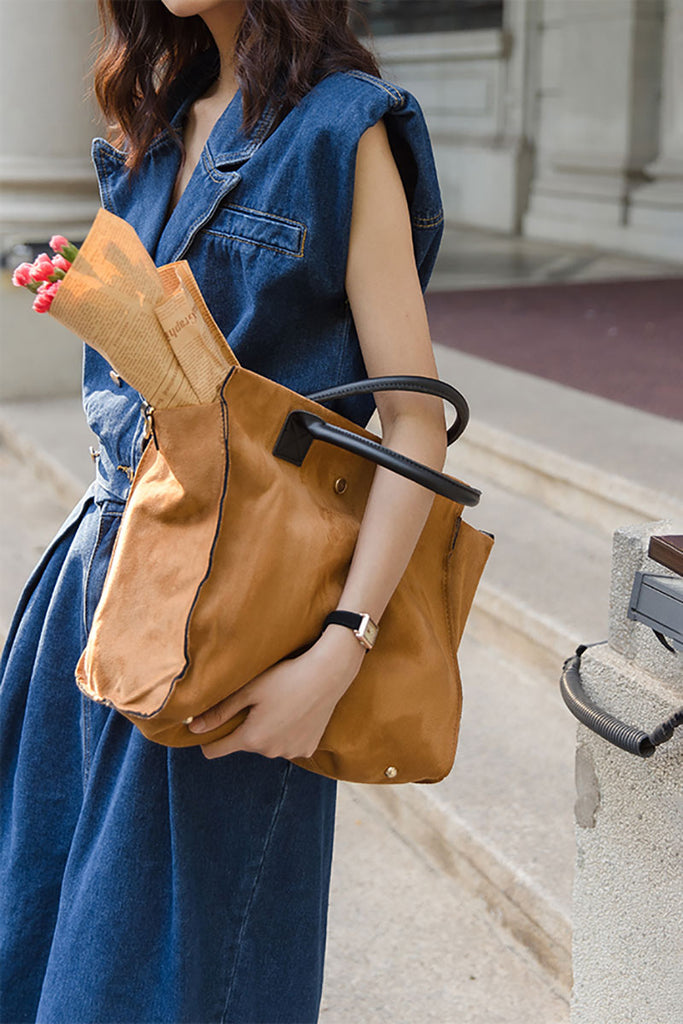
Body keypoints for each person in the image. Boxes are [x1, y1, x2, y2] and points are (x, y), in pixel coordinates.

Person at [0, 1, 447, 1021]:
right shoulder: (152, 122)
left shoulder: (342, 129)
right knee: (32, 955)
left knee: (160, 987)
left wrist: (339, 651)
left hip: (237, 623)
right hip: (91, 595)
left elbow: (414, 429)